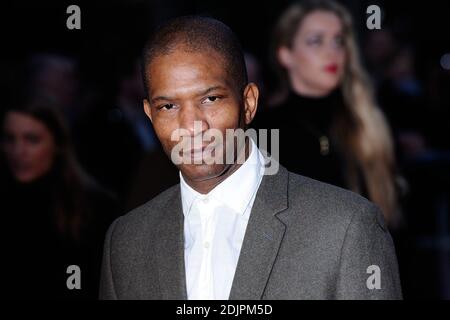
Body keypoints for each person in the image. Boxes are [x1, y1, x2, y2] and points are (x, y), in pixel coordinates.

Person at [99, 15, 402, 300]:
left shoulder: (346, 227)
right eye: (168, 106)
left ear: (248, 103)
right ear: (149, 114)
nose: (191, 126)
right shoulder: (125, 242)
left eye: (210, 99)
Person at [254, 0, 401, 228]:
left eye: (338, 41)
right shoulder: (262, 130)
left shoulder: (368, 121)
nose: (331, 52)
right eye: (316, 41)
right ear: (286, 55)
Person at [0, 95, 117, 299]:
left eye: (32, 140)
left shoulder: (93, 208)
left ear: (57, 144)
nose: (18, 151)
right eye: (10, 139)